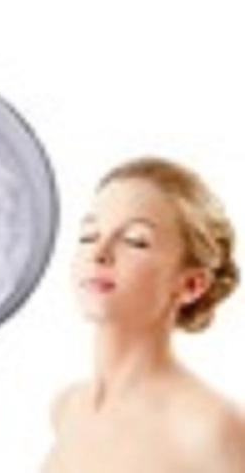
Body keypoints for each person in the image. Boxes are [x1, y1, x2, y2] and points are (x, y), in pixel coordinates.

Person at [42, 156, 245, 472]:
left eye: (135, 241)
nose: (98, 253)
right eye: (89, 235)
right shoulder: (67, 408)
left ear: (191, 285)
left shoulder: (211, 429)